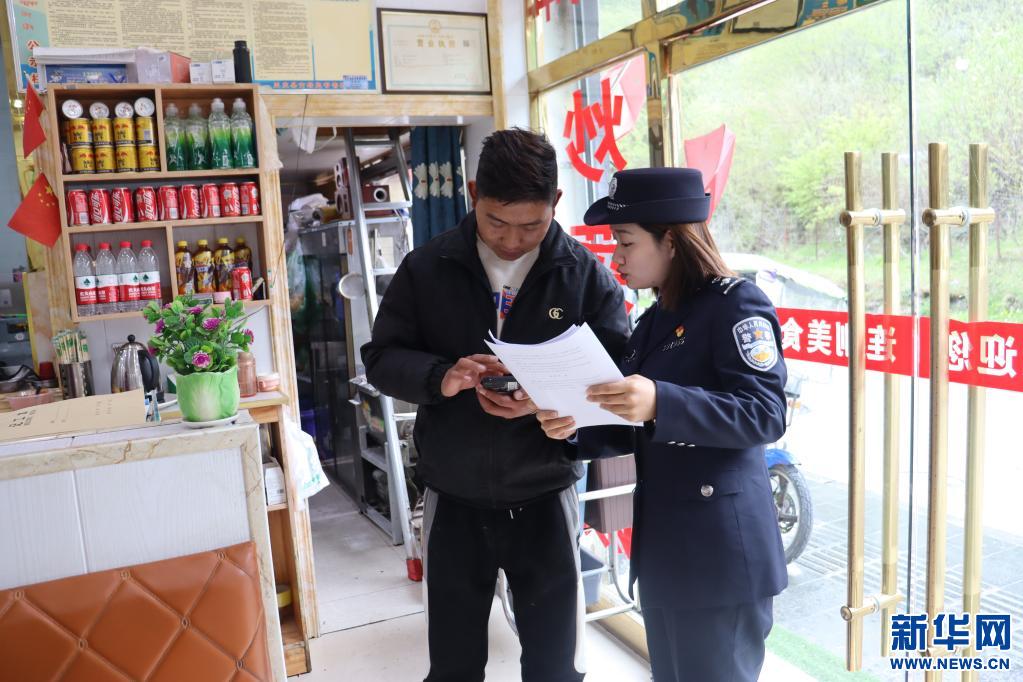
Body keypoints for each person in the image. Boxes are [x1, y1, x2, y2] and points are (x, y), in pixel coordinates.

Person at [362, 128, 629, 682]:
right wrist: (441, 376)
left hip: (546, 494)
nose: (511, 240)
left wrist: (553, 410)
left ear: (556, 202)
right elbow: (382, 358)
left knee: (555, 666)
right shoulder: (427, 268)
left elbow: (617, 387)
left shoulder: (584, 276)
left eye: (531, 225)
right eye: (496, 222)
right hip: (453, 494)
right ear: (473, 194)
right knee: (454, 665)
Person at [536, 167, 789, 682]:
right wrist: (574, 427)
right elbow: (634, 420)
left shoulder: (735, 304)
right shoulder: (654, 320)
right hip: (666, 552)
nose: (616, 257)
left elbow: (765, 412)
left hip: (720, 559)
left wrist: (661, 402)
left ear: (671, 241)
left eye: (626, 242)